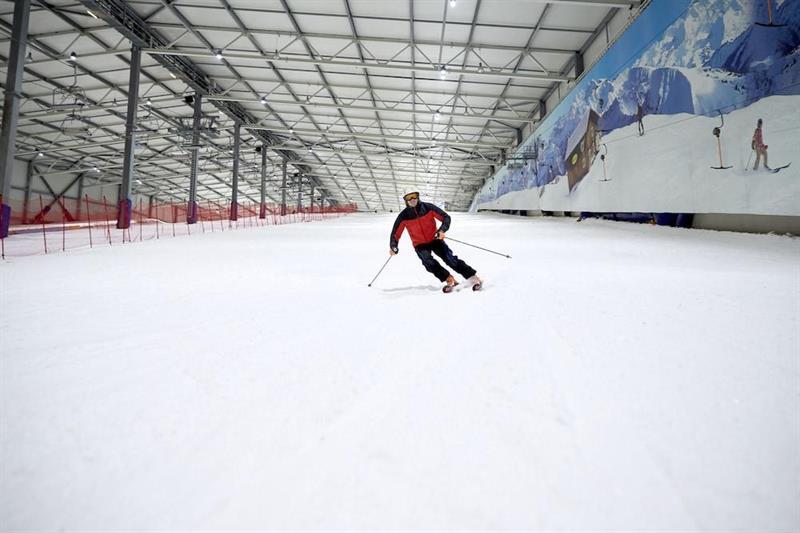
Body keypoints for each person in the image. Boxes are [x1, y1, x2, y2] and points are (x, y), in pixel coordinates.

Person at [389, 191, 482, 292]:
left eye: (414, 196)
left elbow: (446, 217)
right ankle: (449, 279)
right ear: (405, 201)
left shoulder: (428, 207)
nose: (412, 199)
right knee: (428, 262)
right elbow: (395, 233)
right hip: (420, 244)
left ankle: (472, 277)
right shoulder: (403, 216)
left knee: (450, 259)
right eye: (409, 197)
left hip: (435, 239)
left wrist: (441, 230)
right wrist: (393, 246)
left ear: (418, 197)